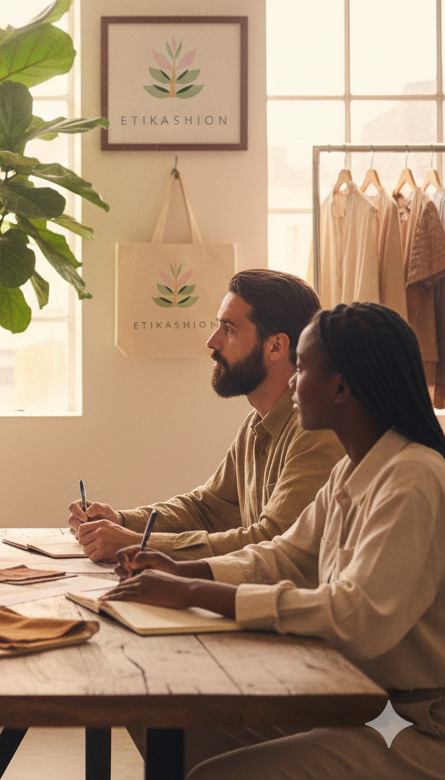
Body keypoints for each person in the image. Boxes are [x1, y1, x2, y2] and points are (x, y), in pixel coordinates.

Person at [103, 302, 445, 779]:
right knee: (159, 719)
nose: (289, 382)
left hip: (408, 727)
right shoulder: (353, 469)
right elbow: (285, 554)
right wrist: (185, 571)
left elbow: (356, 616)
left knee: (211, 773)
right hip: (356, 702)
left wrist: (196, 592)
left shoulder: (413, 478)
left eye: (302, 369)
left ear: (342, 386)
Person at [70, 269, 343, 561]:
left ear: (276, 346)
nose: (212, 341)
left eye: (229, 329)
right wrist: (122, 521)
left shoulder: (317, 430)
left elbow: (274, 542)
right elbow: (206, 508)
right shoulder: (257, 423)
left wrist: (140, 544)